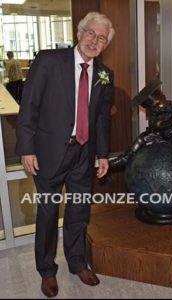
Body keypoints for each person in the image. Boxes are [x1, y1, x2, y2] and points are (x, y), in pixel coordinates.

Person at [16, 12, 115, 298]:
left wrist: (103, 154)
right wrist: (26, 148)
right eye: (91, 33)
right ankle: (47, 270)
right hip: (48, 153)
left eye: (101, 38)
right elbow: (29, 106)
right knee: (48, 212)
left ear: (105, 44)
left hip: (84, 154)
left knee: (79, 210)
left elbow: (100, 120)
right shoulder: (49, 61)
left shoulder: (105, 74)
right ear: (79, 33)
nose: (94, 41)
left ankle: (77, 262)